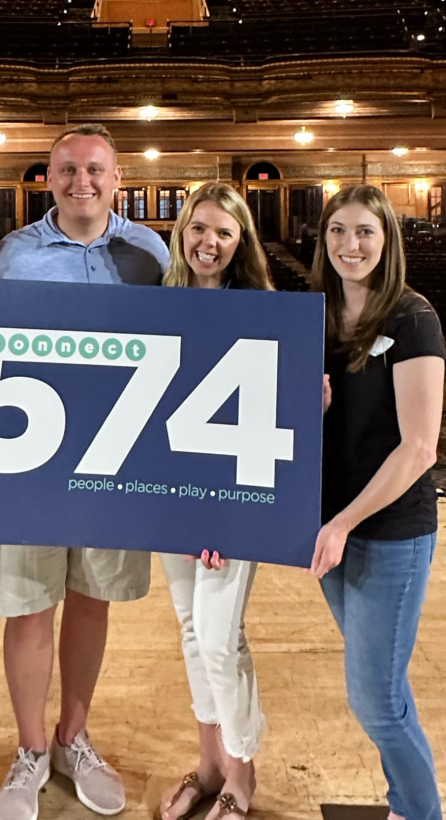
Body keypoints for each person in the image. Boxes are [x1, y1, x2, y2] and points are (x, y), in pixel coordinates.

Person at [0, 123, 168, 820]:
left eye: (94, 169)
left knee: (93, 599)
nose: (80, 181)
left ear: (118, 178)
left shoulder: (151, 252)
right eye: (66, 169)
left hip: (117, 458)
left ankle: (73, 737)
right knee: (29, 606)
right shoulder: (12, 253)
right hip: (26, 464)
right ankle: (30, 749)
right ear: (47, 178)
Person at [308, 185, 446, 820]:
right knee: (385, 687)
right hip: (333, 526)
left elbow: (419, 449)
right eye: (337, 231)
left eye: (364, 231)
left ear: (387, 239)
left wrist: (342, 523)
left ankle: (420, 812)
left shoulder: (412, 318)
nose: (349, 245)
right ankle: (403, 803)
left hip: (387, 529)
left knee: (373, 699)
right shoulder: (317, 313)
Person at [154, 182, 274, 820]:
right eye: (200, 228)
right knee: (193, 631)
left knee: (222, 640)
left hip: (230, 500)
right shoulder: (159, 301)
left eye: (224, 232)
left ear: (241, 242)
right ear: (183, 231)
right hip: (171, 496)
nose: (210, 242)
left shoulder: (261, 308)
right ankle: (207, 767)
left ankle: (241, 772)